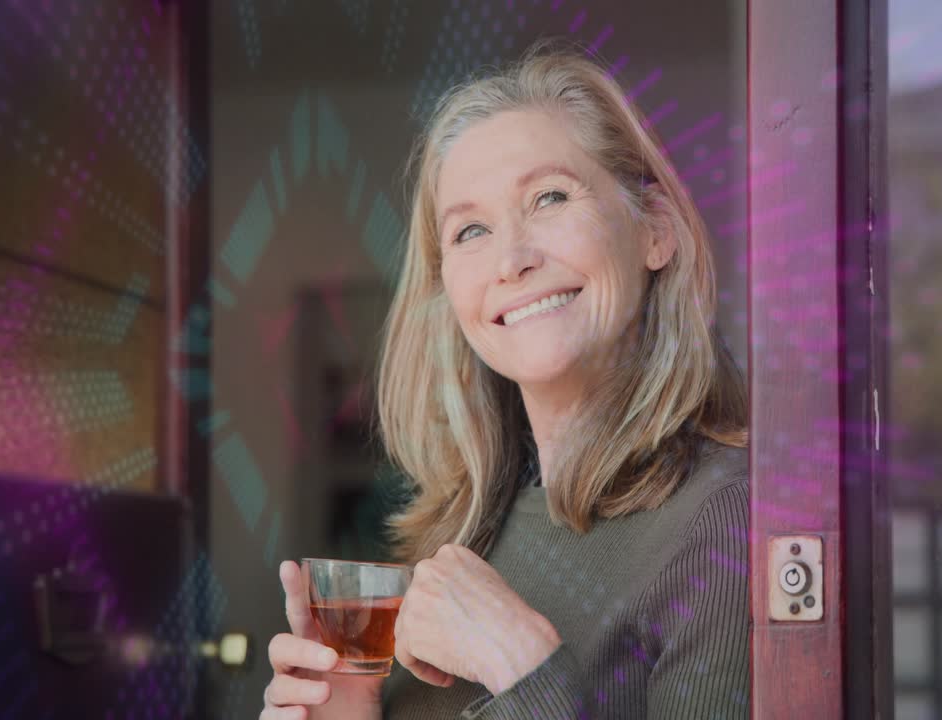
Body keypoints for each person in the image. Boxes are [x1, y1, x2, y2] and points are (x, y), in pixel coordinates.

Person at [261, 41, 750, 720]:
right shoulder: (465, 533)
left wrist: (520, 667)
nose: (511, 260)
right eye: (469, 232)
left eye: (550, 197)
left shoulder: (727, 521)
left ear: (656, 232)